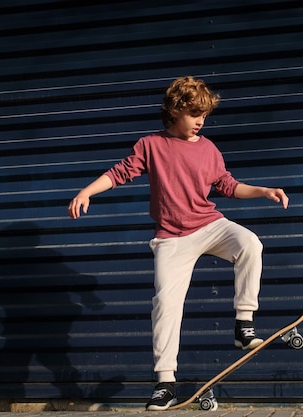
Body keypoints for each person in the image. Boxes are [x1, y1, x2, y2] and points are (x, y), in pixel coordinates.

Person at [68, 76, 289, 410]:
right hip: (171, 237)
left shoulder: (209, 148)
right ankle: (166, 382)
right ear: (175, 111)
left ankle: (244, 324)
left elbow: (227, 185)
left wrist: (264, 191)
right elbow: (119, 173)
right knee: (166, 304)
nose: (201, 120)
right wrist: (86, 191)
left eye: (204, 114)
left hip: (209, 224)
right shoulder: (151, 146)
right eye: (194, 113)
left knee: (250, 243)